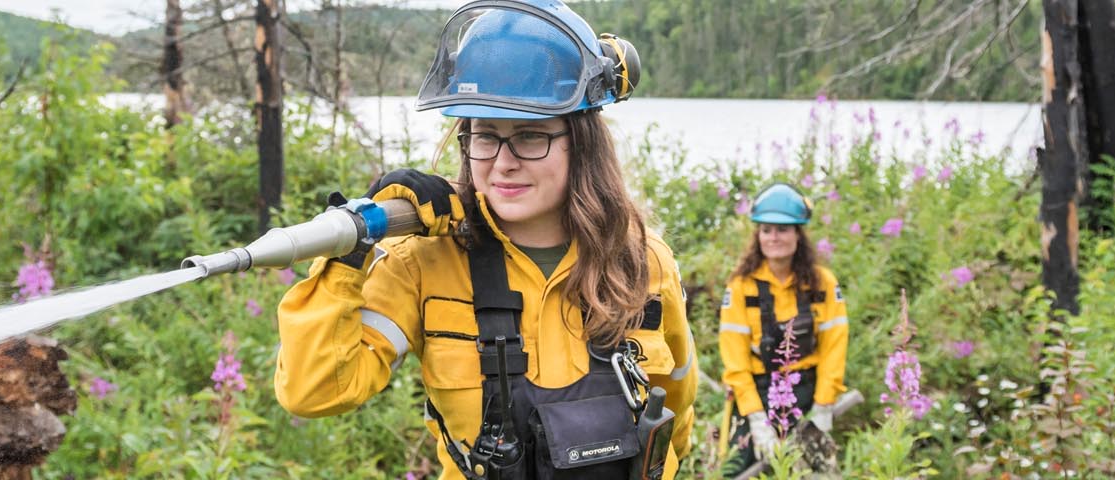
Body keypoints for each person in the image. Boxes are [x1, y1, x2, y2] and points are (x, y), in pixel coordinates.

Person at [273, 1, 695, 478]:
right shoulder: (421, 264)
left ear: (581, 140)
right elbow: (314, 391)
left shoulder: (643, 261)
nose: (503, 161)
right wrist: (353, 247)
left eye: (531, 136)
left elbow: (675, 408)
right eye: (485, 135)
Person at [716, 184, 849, 475]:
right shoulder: (741, 286)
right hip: (756, 394)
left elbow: (834, 347)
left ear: (798, 235)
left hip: (806, 392)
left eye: (782, 229)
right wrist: (755, 418)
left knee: (817, 472)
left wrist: (824, 406)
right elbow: (735, 361)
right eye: (766, 230)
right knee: (735, 470)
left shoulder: (822, 283)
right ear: (758, 236)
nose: (774, 237)